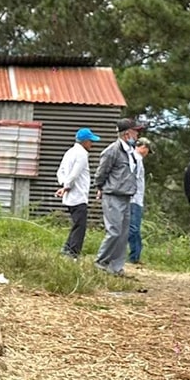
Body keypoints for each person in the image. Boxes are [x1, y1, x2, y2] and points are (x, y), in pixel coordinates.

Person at [92, 118, 144, 276]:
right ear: (127, 133)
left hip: (127, 195)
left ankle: (116, 267)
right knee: (114, 230)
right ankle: (100, 262)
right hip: (113, 194)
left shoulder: (130, 152)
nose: (137, 134)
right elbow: (102, 172)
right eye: (135, 131)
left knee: (123, 233)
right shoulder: (112, 151)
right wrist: (100, 187)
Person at [55, 127, 98, 259]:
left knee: (76, 224)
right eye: (90, 141)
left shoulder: (69, 152)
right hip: (78, 195)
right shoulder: (82, 154)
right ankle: (73, 252)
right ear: (84, 141)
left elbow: (60, 172)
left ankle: (67, 248)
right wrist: (66, 187)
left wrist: (63, 184)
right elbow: (75, 174)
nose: (92, 144)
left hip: (70, 196)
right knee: (80, 226)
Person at [127, 139, 152, 265]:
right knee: (133, 228)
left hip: (136, 199)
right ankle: (132, 255)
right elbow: (133, 178)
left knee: (134, 228)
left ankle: (135, 255)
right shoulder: (136, 159)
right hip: (134, 199)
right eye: (147, 149)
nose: (147, 153)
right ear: (143, 147)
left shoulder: (136, 159)